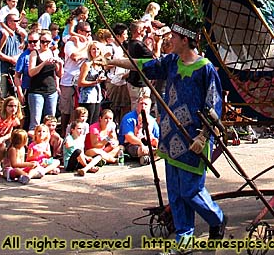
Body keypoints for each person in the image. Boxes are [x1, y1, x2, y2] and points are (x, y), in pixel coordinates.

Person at [110, 22, 226, 247]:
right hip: (170, 136)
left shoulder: (205, 68)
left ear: (185, 40)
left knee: (191, 191)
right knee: (175, 193)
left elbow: (214, 105)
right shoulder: (171, 62)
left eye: (173, 36)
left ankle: (217, 218)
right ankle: (185, 238)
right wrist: (113, 61)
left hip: (193, 139)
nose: (168, 40)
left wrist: (202, 137)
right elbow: (144, 65)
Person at [59, 20, 91, 136]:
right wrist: (86, 47)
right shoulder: (70, 43)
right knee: (66, 109)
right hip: (68, 78)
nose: (88, 34)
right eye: (86, 32)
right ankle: (63, 132)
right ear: (79, 31)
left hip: (81, 78)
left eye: (90, 32)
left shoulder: (88, 42)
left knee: (79, 110)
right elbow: (75, 57)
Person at [27, 32, 61, 129]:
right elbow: (31, 72)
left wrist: (60, 64)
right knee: (36, 121)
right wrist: (44, 63)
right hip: (37, 91)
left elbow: (59, 74)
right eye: (43, 42)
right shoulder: (34, 53)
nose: (45, 44)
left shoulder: (53, 52)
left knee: (50, 120)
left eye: (47, 42)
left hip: (51, 90)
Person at [120, 95, 159, 164]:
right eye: (141, 103)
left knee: (162, 148)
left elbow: (157, 136)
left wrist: (155, 142)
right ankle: (150, 156)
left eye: (146, 104)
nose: (143, 106)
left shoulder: (152, 120)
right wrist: (141, 144)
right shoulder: (129, 118)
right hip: (132, 144)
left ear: (150, 107)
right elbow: (129, 137)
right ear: (137, 105)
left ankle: (148, 157)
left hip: (147, 143)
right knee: (141, 149)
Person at [77, 41, 106, 125]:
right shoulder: (87, 64)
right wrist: (96, 82)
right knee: (87, 122)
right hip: (88, 97)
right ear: (89, 51)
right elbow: (80, 82)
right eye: (93, 49)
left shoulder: (100, 65)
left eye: (97, 49)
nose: (95, 51)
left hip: (97, 96)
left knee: (95, 122)